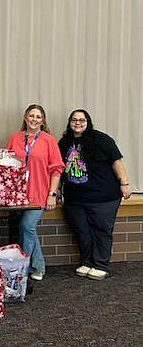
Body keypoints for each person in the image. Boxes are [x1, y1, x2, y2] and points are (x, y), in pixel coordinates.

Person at [58, 109, 131, 281]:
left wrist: (125, 183)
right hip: (75, 199)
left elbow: (116, 161)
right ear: (69, 122)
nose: (78, 123)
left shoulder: (101, 139)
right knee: (82, 231)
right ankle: (87, 262)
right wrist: (59, 190)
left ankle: (101, 265)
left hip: (103, 197)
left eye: (82, 120)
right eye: (74, 120)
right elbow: (59, 169)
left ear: (88, 122)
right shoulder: (64, 142)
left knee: (101, 230)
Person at [7, 104, 64, 281]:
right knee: (27, 230)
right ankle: (38, 266)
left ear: (43, 120)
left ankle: (23, 267)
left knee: (27, 227)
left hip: (39, 192)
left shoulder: (49, 140)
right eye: (31, 116)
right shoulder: (15, 138)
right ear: (25, 117)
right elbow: (8, 164)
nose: (34, 119)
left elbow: (57, 169)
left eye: (38, 117)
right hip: (18, 194)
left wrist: (52, 194)